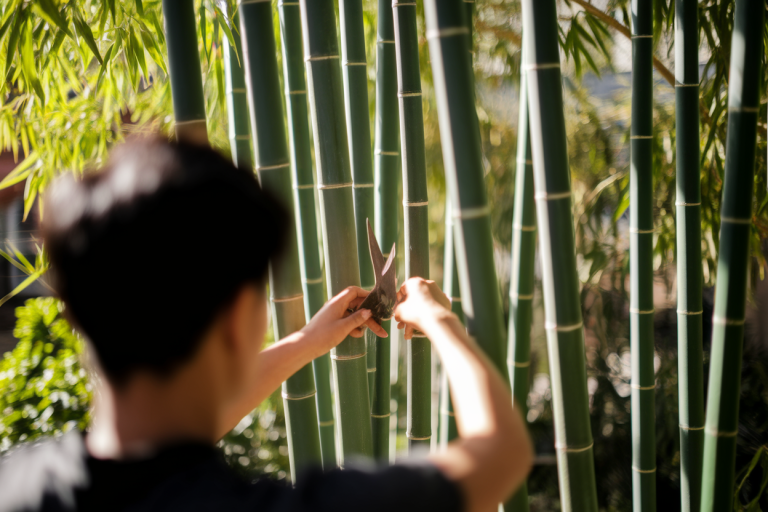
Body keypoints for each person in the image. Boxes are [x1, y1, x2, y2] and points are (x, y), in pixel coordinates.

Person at [0, 138, 532, 512]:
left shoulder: (13, 485)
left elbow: (157, 448)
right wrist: (440, 320)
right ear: (238, 320)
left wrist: (306, 341)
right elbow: (501, 454)